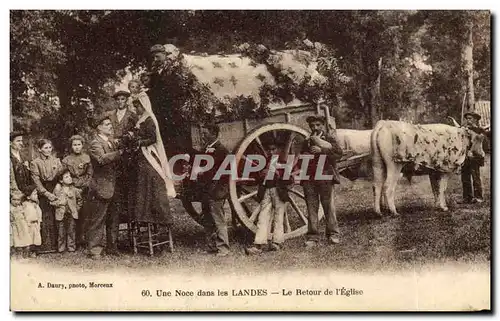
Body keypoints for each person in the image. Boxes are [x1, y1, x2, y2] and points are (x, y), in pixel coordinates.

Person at [127, 98, 176, 235]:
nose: (136, 110)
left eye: (138, 107)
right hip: (142, 155)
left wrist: (139, 142)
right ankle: (144, 215)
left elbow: (153, 138)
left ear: (143, 106)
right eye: (135, 107)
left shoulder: (149, 119)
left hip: (149, 153)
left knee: (151, 178)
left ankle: (154, 215)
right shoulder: (141, 120)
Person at [299, 115, 343, 247]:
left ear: (322, 125)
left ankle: (333, 234)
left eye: (318, 125)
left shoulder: (329, 139)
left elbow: (338, 154)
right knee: (311, 207)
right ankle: (313, 237)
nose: (315, 128)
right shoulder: (306, 141)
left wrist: (321, 150)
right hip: (310, 178)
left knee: (328, 206)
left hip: (325, 176)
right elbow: (300, 158)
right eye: (312, 126)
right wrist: (304, 156)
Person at [245, 138, 294, 255]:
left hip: (279, 191)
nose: (271, 152)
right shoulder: (265, 161)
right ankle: (259, 244)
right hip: (266, 190)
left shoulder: (284, 161)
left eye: (273, 149)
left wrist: (278, 175)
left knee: (278, 217)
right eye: (269, 150)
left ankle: (277, 242)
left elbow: (290, 179)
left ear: (279, 149)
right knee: (262, 218)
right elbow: (256, 178)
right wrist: (261, 175)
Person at [86, 114, 124, 259]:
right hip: (101, 186)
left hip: (114, 185)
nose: (110, 126)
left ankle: (112, 248)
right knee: (98, 219)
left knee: (114, 218)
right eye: (107, 124)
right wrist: (119, 153)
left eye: (110, 124)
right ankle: (94, 250)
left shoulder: (111, 143)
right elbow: (101, 159)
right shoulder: (95, 143)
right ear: (99, 128)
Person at [192, 123, 231, 257]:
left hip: (216, 190)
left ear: (213, 133)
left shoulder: (221, 150)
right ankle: (211, 246)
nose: (203, 136)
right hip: (206, 190)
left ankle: (224, 248)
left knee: (218, 219)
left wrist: (203, 172)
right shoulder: (207, 149)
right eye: (202, 134)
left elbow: (224, 172)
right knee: (208, 219)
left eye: (205, 134)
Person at [107, 90, 138, 227]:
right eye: (118, 99)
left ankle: (128, 212)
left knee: (127, 180)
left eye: (123, 99)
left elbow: (137, 131)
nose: (120, 102)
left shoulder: (132, 115)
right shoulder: (110, 115)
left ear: (126, 101)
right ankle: (116, 213)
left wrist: (130, 136)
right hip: (113, 149)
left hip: (127, 152)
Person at [30, 139, 63, 254]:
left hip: (56, 190)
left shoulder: (56, 160)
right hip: (43, 192)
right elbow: (36, 181)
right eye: (45, 148)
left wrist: (58, 187)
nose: (48, 150)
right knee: (45, 217)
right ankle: (44, 245)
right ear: (39, 149)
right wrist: (47, 194)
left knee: (57, 216)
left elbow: (60, 175)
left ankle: (57, 244)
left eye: (49, 147)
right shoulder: (35, 163)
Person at [62, 135, 93, 247]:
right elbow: (65, 175)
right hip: (72, 189)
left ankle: (84, 239)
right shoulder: (66, 160)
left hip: (85, 189)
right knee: (73, 215)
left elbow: (90, 174)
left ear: (82, 145)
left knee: (86, 214)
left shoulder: (87, 158)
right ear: (71, 146)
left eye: (79, 144)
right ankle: (73, 240)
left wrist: (85, 186)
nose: (77, 147)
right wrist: (73, 187)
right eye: (74, 145)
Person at [51, 170, 83, 253]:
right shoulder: (57, 189)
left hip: (71, 214)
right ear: (61, 180)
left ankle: (71, 248)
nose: (69, 178)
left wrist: (77, 209)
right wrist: (59, 203)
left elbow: (80, 200)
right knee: (61, 232)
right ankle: (61, 249)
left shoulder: (74, 190)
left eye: (70, 176)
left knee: (71, 231)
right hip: (61, 214)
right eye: (66, 177)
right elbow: (52, 201)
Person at [460, 112, 485, 204]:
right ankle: (467, 197)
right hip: (466, 156)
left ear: (475, 119)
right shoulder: (465, 129)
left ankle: (478, 198)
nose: (468, 120)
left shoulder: (480, 130)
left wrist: (471, 151)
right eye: (467, 118)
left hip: (475, 156)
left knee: (475, 177)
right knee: (465, 177)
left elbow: (477, 143)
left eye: (470, 118)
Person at [10, 191, 41, 258]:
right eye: (14, 200)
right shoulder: (11, 208)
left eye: (18, 200)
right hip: (15, 227)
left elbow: (25, 216)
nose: (16, 202)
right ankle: (17, 256)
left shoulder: (21, 207)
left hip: (23, 226)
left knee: (26, 240)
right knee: (16, 241)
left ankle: (27, 254)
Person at [10, 131, 37, 200]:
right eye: (18, 141)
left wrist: (31, 189)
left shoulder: (24, 156)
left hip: (28, 193)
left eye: (21, 141)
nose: (21, 143)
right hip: (15, 195)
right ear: (10, 143)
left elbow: (30, 174)